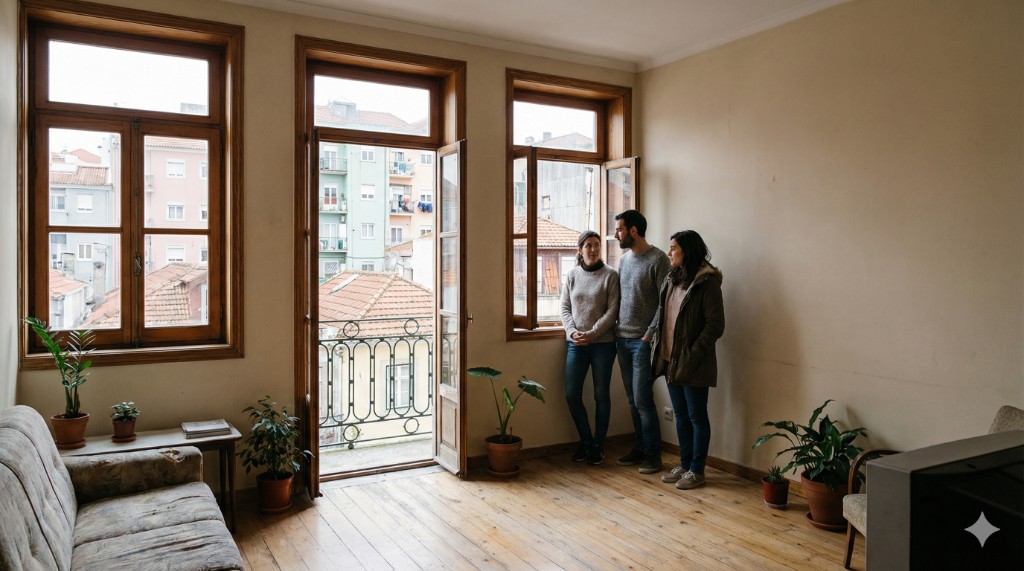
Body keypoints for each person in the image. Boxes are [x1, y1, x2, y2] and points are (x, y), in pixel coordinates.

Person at [652, 230, 725, 490]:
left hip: (695, 363)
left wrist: (692, 354)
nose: (669, 252)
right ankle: (685, 465)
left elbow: (715, 325)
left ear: (688, 251)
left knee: (696, 417)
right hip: (670, 359)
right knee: (681, 415)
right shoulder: (672, 279)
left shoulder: (707, 283)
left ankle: (697, 470)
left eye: (674, 248)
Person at [613, 210, 671, 474]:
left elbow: (665, 302)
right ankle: (639, 448)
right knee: (631, 399)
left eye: (620, 229)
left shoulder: (658, 259)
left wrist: (649, 334)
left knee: (642, 400)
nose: (616, 234)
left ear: (633, 231)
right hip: (622, 339)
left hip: (642, 341)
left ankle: (653, 455)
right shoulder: (624, 260)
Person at [560, 230, 620, 465]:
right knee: (571, 394)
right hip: (576, 344)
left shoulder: (610, 275)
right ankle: (586, 441)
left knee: (601, 394)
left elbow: (613, 311)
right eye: (588, 246)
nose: (594, 249)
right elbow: (565, 307)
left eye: (597, 245)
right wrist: (572, 331)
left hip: (603, 345)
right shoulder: (572, 275)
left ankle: (598, 445)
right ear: (580, 250)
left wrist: (593, 333)